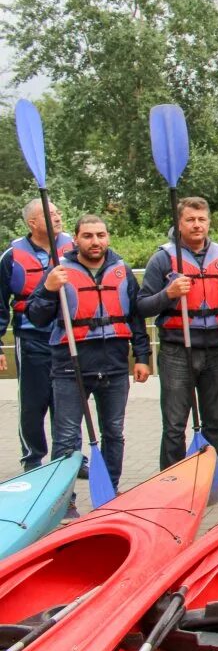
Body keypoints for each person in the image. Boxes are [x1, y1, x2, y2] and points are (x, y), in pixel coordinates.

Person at [26, 215, 151, 515]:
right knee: (67, 437)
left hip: (115, 364)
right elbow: (36, 316)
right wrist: (47, 288)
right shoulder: (59, 271)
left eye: (100, 235)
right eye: (88, 236)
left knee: (114, 432)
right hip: (71, 366)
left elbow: (135, 318)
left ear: (108, 237)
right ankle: (64, 502)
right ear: (76, 239)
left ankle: (109, 491)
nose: (95, 242)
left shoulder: (121, 270)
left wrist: (143, 357)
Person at [137, 196, 218, 498]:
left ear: (209, 222)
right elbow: (141, 307)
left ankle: (215, 478)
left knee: (215, 421)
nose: (197, 225)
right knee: (174, 423)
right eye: (190, 220)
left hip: (217, 349)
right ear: (179, 223)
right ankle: (171, 483)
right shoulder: (162, 259)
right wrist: (168, 294)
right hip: (176, 350)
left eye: (202, 219)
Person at [0, 199, 73, 472]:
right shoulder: (12, 256)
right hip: (31, 338)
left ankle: (68, 457)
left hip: (67, 337)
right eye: (50, 213)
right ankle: (33, 459)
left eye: (58, 212)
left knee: (66, 401)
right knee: (33, 402)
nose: (57, 217)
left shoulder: (73, 247)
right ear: (33, 222)